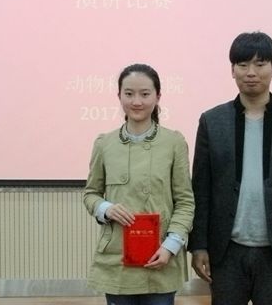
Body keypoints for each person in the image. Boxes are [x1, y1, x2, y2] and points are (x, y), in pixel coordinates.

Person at [188, 32, 272, 305]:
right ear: (232, 70)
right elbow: (201, 190)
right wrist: (198, 244)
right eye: (243, 64)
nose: (251, 72)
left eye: (260, 64)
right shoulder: (212, 121)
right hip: (225, 250)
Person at [83, 63, 195, 305]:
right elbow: (90, 194)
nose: (136, 101)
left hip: (161, 256)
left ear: (158, 96)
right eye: (129, 93)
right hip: (117, 259)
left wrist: (171, 245)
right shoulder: (105, 144)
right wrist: (105, 208)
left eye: (145, 94)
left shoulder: (174, 142)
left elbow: (185, 202)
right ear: (119, 96)